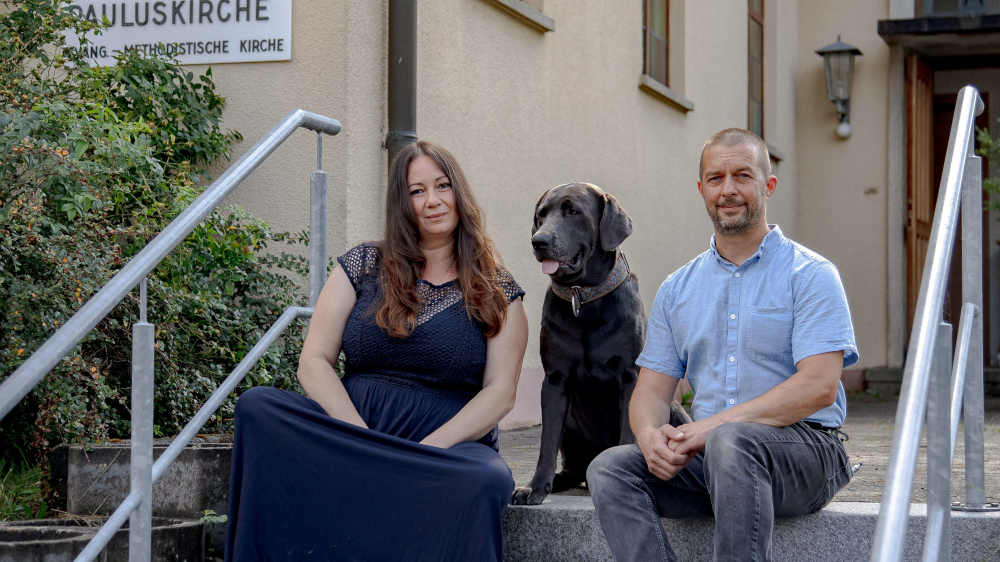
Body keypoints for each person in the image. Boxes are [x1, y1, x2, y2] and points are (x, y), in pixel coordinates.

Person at [225, 140, 529, 561]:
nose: (432, 201)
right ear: (402, 203)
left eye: (442, 186)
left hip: (444, 442)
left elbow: (500, 392)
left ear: (459, 193)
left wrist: (428, 451)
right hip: (354, 428)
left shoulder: (497, 288)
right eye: (417, 191)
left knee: (487, 479)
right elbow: (313, 361)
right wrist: (358, 437)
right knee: (258, 407)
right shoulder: (364, 265)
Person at [586, 128, 859, 562]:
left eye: (742, 176)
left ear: (768, 185)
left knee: (732, 442)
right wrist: (651, 436)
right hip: (714, 459)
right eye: (716, 179)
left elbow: (819, 387)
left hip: (805, 454)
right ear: (702, 190)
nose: (728, 190)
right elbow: (652, 392)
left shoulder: (810, 274)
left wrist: (710, 429)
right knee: (611, 469)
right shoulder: (678, 288)